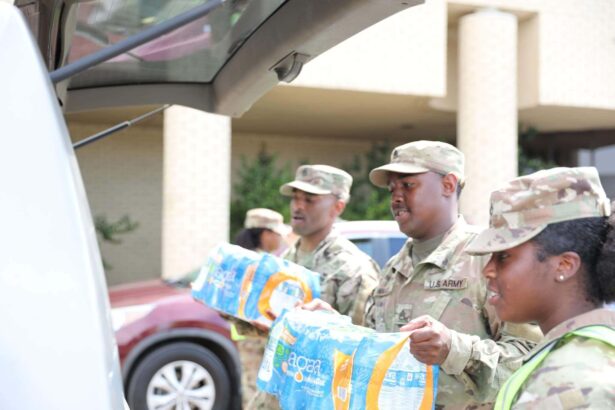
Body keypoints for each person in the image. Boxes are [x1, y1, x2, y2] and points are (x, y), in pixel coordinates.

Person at [303, 141, 542, 408]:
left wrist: (454, 349)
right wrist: (334, 328)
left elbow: (532, 363)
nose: (396, 197)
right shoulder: (393, 269)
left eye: (408, 185)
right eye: (392, 188)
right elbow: (375, 357)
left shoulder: (489, 259)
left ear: (448, 185)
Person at [465, 166, 615, 409]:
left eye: (503, 257)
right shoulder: (594, 350)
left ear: (564, 265)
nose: (488, 270)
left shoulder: (570, 382)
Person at [249, 164, 381, 409]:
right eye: (296, 198)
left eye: (310, 199)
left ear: (337, 207)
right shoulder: (287, 260)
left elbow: (365, 352)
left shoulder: (353, 269)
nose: (298, 206)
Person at [231, 208, 289, 409]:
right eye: (278, 234)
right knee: (259, 393)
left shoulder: (239, 259)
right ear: (265, 234)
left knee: (250, 388)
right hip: (259, 338)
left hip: (245, 337)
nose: (281, 239)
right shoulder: (261, 264)